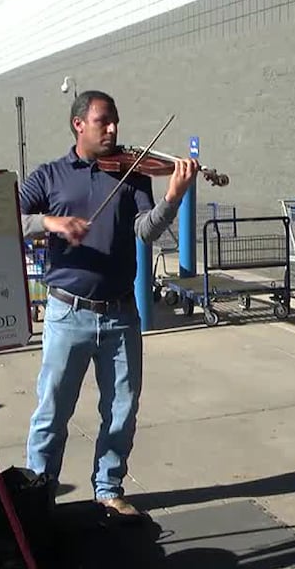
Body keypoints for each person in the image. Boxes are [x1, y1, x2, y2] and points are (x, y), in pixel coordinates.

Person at [18, 90, 199, 516]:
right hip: (67, 312)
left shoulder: (133, 173)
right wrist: (50, 222)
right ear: (78, 124)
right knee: (52, 412)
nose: (114, 129)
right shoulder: (49, 176)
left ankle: (109, 488)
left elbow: (146, 231)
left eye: (115, 120)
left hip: (119, 313)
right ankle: (38, 495)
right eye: (104, 121)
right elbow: (5, 218)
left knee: (121, 409)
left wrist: (173, 198)